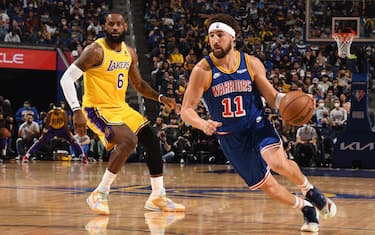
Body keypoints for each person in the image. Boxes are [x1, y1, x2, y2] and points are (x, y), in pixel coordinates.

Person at [180, 13, 336, 233]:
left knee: (277, 162)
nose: (215, 40)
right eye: (211, 36)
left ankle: (309, 190)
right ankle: (306, 208)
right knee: (268, 187)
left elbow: (272, 98)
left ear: (232, 38)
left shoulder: (251, 63)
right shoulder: (202, 71)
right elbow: (186, 109)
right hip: (230, 137)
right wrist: (201, 123)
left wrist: (295, 98)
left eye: (220, 35)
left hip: (257, 126)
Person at [60, 12, 185, 215]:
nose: (115, 28)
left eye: (119, 24)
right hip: (96, 108)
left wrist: (162, 98)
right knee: (128, 141)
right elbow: (66, 79)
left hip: (121, 107)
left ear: (125, 26)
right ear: (105, 27)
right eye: (111, 25)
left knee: (151, 141)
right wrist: (75, 110)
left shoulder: (130, 52)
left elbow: (139, 85)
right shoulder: (95, 51)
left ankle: (157, 196)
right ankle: (99, 193)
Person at [22, 104, 87, 163]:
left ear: (60, 109)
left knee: (73, 141)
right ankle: (27, 155)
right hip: (52, 129)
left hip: (62, 129)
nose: (56, 111)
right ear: (53, 109)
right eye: (55, 110)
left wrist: (70, 134)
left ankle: (83, 156)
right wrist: (43, 135)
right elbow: (47, 125)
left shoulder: (63, 113)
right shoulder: (50, 113)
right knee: (40, 141)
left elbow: (66, 125)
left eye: (58, 110)